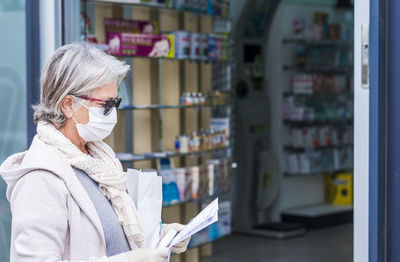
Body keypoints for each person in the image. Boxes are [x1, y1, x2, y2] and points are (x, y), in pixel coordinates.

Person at [0, 42, 190, 261]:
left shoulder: (98, 158)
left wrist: (159, 235)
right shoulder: (40, 178)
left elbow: (109, 233)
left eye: (116, 103)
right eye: (106, 105)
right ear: (68, 105)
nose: (113, 113)